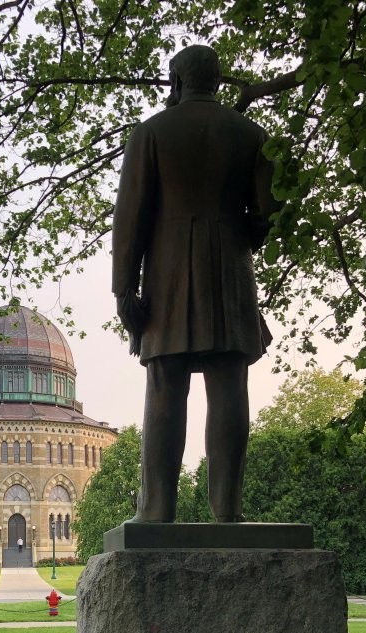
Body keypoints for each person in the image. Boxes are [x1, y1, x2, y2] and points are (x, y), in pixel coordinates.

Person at [112, 44, 279, 523]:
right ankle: (228, 509)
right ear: (219, 82)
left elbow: (131, 218)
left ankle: (157, 509)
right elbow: (269, 210)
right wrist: (241, 236)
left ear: (176, 82)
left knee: (166, 385)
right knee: (230, 385)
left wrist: (124, 291)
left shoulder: (151, 133)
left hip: (168, 280)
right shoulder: (252, 134)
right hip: (230, 274)